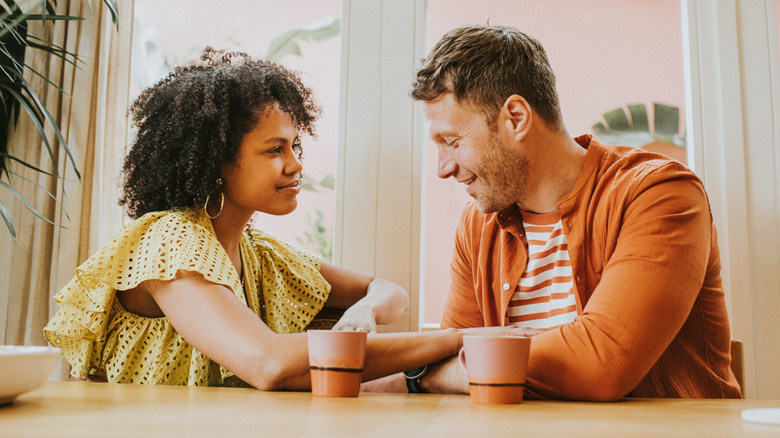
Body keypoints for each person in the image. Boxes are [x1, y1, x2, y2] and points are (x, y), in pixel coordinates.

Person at [43, 47, 486, 389]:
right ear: (217, 161)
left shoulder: (258, 253)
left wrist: (366, 311)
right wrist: (462, 339)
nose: (295, 165)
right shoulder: (170, 241)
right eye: (275, 150)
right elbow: (269, 363)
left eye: (295, 147)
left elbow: (389, 291)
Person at [366, 25, 741, 400]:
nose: (443, 168)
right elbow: (445, 360)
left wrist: (429, 376)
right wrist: (433, 373)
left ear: (516, 118)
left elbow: (599, 365)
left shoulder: (658, 193)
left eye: (452, 142)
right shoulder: (477, 225)